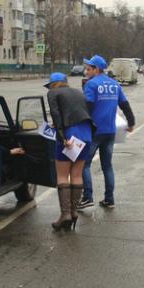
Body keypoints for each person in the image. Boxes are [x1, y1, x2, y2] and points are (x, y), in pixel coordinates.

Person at [79, 55, 135, 209]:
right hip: (110, 131)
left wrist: (79, 125)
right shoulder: (114, 84)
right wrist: (131, 122)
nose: (86, 71)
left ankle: (87, 197)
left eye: (89, 68)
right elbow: (125, 105)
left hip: (94, 132)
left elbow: (87, 107)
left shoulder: (91, 85)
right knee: (107, 166)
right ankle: (109, 199)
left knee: (84, 164)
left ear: (96, 69)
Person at [45, 72, 93, 231]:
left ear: (53, 84)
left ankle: (64, 214)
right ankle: (73, 213)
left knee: (62, 175)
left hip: (69, 135)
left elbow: (56, 114)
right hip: (86, 135)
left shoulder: (53, 92)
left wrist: (61, 136)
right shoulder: (78, 92)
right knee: (77, 174)